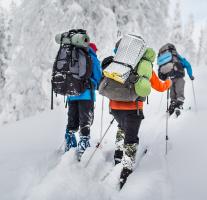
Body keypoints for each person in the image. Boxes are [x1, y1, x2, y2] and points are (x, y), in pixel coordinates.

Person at [103, 41, 172, 189]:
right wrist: (168, 84)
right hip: (133, 108)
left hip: (114, 106)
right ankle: (126, 170)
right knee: (131, 138)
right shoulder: (143, 65)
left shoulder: (117, 62)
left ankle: (118, 155)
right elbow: (159, 86)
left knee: (121, 127)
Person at [64, 42, 102, 160]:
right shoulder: (92, 57)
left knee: (72, 120)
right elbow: (98, 76)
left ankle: (69, 143)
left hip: (71, 94)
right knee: (85, 121)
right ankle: (83, 147)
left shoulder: (72, 56)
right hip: (86, 95)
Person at [157, 43, 194, 116]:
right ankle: (178, 104)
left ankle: (173, 104)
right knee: (179, 91)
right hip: (179, 77)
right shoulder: (178, 58)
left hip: (169, 78)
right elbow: (187, 65)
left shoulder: (165, 59)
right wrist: (190, 75)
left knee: (172, 92)